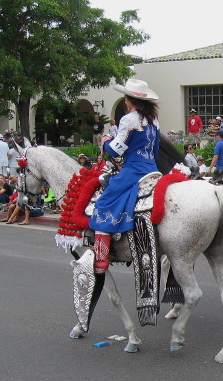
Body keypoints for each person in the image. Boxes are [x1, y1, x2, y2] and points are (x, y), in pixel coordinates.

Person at [89, 79, 161, 274]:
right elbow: (155, 151)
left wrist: (105, 141)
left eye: (126, 99)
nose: (125, 102)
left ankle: (102, 257)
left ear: (130, 100)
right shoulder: (154, 120)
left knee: (104, 202)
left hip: (134, 170)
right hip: (153, 169)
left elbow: (116, 150)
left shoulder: (128, 120)